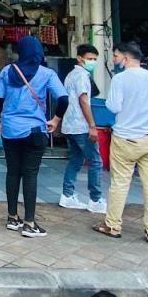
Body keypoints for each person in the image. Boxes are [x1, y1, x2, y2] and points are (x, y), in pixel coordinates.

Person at [93, 42, 148, 244]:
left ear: (126, 58)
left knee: (120, 183)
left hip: (125, 139)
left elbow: (112, 106)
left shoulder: (120, 80)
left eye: (115, 56)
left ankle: (112, 225)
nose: (114, 59)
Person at [0, 35, 68, 238]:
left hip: (10, 129)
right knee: (30, 174)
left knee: (12, 172)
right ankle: (29, 222)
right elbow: (63, 99)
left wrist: (3, 117)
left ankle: (12, 217)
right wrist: (55, 120)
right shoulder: (47, 74)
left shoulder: (7, 71)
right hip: (35, 130)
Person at [59, 44, 106, 213]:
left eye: (95, 59)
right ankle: (95, 199)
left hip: (69, 125)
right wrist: (92, 126)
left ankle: (67, 195)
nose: (92, 62)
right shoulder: (81, 76)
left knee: (76, 160)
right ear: (79, 58)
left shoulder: (71, 75)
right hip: (80, 125)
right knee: (95, 161)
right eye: (90, 59)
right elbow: (84, 100)